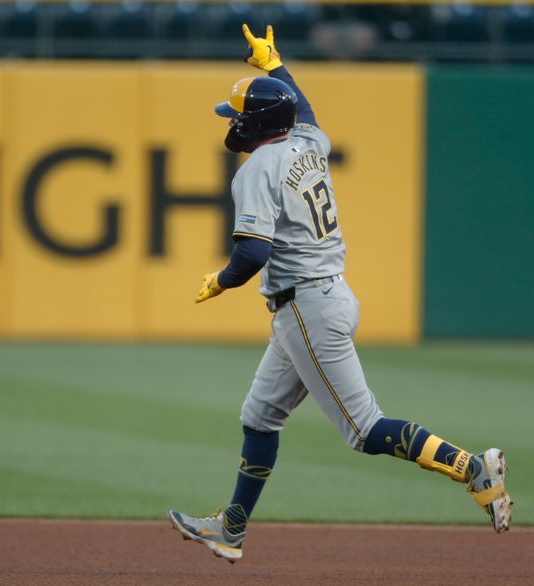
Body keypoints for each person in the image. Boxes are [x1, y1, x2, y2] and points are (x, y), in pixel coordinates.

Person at [168, 24, 512, 563]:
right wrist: (275, 65)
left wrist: (221, 281)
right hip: (320, 297)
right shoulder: (307, 142)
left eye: (237, 113)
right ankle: (230, 528)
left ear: (256, 123)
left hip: (306, 306)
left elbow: (252, 254)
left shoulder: (257, 168)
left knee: (365, 430)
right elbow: (301, 109)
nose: (231, 120)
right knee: (259, 417)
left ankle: (473, 468)